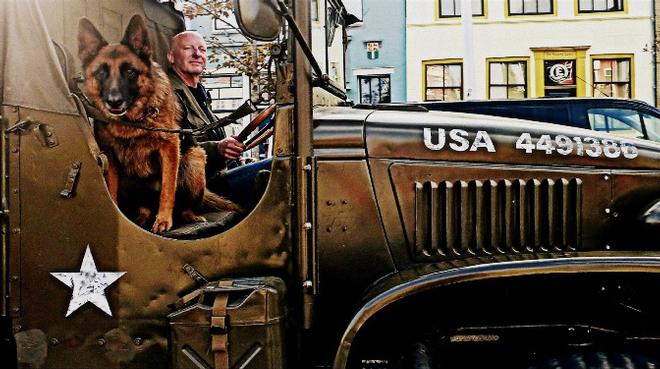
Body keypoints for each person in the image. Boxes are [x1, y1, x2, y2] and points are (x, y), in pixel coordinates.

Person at [167, 31, 271, 209]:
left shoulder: (200, 94)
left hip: (216, 177)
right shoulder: (168, 95)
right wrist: (217, 149)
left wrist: (234, 158)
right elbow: (169, 149)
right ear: (171, 56)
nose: (197, 54)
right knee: (279, 167)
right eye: (188, 48)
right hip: (196, 189)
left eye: (202, 50)